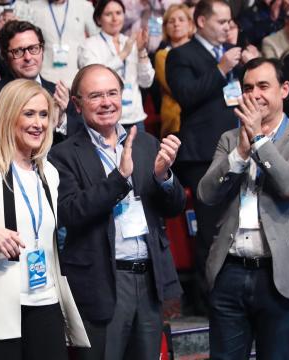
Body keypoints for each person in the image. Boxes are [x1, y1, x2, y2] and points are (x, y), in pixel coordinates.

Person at [49, 64, 186, 360]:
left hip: (149, 280)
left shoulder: (146, 143)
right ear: (77, 103)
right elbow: (70, 212)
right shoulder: (63, 154)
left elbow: (174, 208)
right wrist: (119, 180)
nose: (106, 102)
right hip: (102, 281)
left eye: (112, 93)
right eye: (96, 96)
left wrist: (165, 178)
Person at [0, 79, 89, 359]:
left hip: (45, 300)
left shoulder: (49, 172)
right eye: (29, 113)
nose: (38, 123)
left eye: (44, 114)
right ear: (10, 116)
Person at [198, 57, 289, 359]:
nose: (254, 94)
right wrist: (240, 153)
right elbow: (206, 194)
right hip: (229, 270)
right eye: (247, 87)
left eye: (263, 86)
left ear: (283, 90)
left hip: (279, 272)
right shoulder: (230, 139)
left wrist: (258, 139)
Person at [166, 0, 257, 315]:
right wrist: (221, 69)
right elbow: (186, 95)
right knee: (211, 228)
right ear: (201, 21)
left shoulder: (233, 53)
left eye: (230, 22)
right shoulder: (181, 54)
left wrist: (249, 64)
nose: (226, 27)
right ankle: (211, 301)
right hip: (203, 153)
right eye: (221, 21)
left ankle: (244, 294)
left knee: (243, 223)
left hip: (242, 146)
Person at [0, 20, 82, 143]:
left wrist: (60, 120)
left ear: (42, 50)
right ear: (5, 57)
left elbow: (79, 141)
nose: (28, 57)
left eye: (33, 48)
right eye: (18, 51)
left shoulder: (59, 94)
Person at [78, 0, 154, 132]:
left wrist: (141, 51)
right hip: (105, 119)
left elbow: (146, 82)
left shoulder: (131, 42)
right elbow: (93, 79)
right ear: (98, 19)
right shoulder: (89, 45)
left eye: (118, 13)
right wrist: (123, 54)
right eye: (108, 14)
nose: (115, 18)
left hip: (134, 118)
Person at [30, 0, 99, 87]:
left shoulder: (84, 6)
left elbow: (96, 38)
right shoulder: (33, 7)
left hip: (77, 75)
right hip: (45, 75)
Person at [155, 4, 195, 137]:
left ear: (190, 24)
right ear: (165, 27)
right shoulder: (162, 55)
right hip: (175, 120)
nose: (176, 24)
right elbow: (176, 88)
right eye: (171, 21)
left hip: (203, 117)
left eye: (181, 20)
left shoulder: (202, 50)